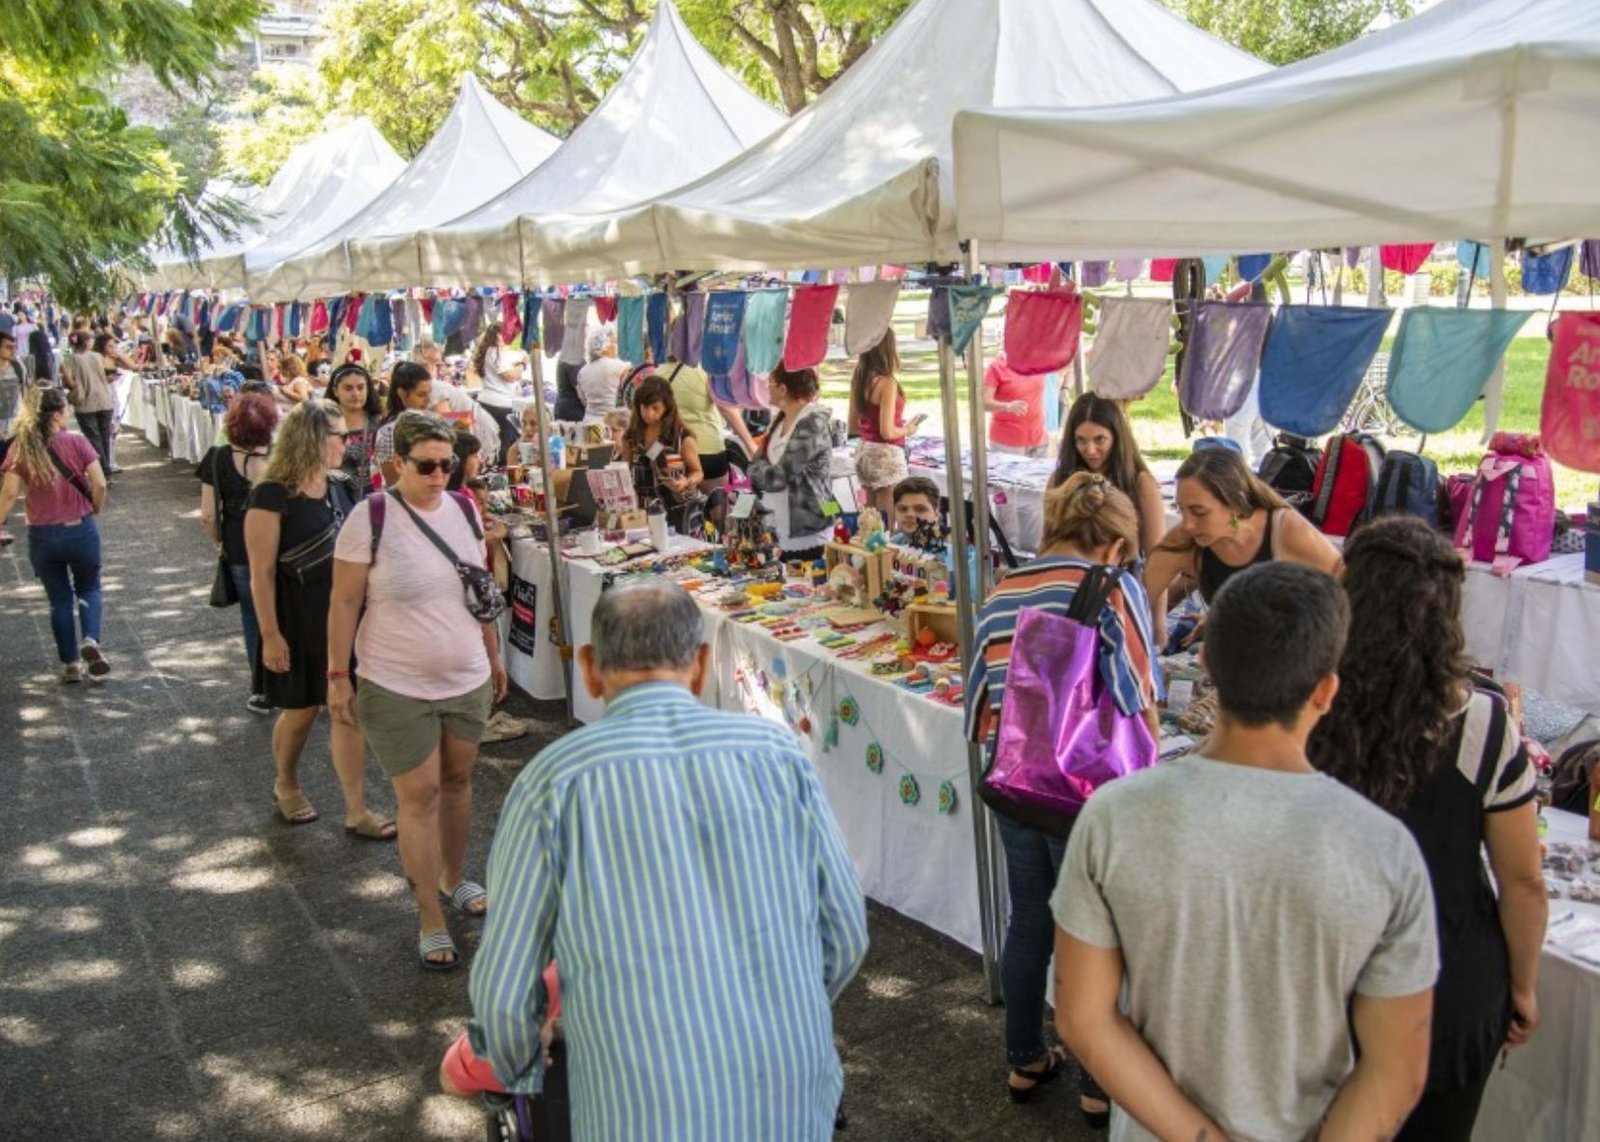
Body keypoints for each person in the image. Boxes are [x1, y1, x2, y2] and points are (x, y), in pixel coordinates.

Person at [462, 579, 868, 1137]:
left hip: (639, 1103)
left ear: (588, 669)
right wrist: (782, 1003)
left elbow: (505, 990)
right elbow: (845, 933)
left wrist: (517, 1067)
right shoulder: (777, 756)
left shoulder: (552, 781)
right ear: (701, 665)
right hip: (788, 1089)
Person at [1053, 562, 1438, 1141]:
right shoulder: (1384, 849)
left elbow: (1083, 1018)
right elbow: (1396, 1071)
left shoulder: (1114, 815)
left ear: (1205, 662)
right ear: (1328, 691)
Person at [1309, 518, 1547, 1142]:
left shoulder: (1306, 703)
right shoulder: (1483, 724)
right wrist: (1522, 986)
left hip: (1325, 979)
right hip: (1447, 986)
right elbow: (1523, 880)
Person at [963, 473, 1160, 1126]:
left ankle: (1024, 1057)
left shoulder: (1002, 590)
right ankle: (1099, 1082)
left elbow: (979, 708)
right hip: (1087, 797)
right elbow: (1137, 695)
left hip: (1016, 786)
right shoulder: (1110, 587)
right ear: (1112, 542)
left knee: (1030, 921)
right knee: (1099, 935)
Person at [328, 411, 508, 970]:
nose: (438, 476)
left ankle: (455, 876)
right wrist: (338, 675)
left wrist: (493, 652)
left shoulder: (462, 507)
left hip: (465, 675)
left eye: (447, 465)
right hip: (395, 680)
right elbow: (343, 603)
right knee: (420, 793)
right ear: (396, 464)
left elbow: (475, 588)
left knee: (457, 783)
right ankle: (428, 911)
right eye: (426, 465)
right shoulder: (370, 517)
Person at [244, 399, 392, 839]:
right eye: (339, 436)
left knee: (347, 711)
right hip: (296, 618)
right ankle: (285, 783)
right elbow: (261, 572)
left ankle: (355, 809)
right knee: (301, 711)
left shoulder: (343, 486)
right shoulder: (271, 494)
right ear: (312, 438)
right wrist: (270, 634)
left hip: (343, 618)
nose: (346, 444)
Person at [1143, 446, 1340, 648]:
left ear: (1235, 501)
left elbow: (1348, 585)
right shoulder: (1186, 540)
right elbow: (1137, 601)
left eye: (1199, 512)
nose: (1187, 524)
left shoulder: (1283, 529)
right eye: (1181, 509)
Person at [0, 387, 110, 683]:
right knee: (89, 588)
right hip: (80, 528)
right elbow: (99, 483)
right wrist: (94, 507)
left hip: (42, 535)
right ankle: (90, 639)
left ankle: (71, 664)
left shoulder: (20, 448)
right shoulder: (76, 442)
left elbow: (9, 492)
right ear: (58, 414)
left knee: (59, 599)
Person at [199, 393, 278, 714]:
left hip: (239, 550)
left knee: (252, 617)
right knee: (285, 614)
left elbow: (207, 514)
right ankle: (289, 681)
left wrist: (220, 542)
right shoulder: (278, 457)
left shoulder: (216, 458)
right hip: (280, 547)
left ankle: (261, 689)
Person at [1049, 393, 1165, 557]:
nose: (1090, 450)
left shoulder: (1141, 483)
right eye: (1081, 440)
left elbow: (1156, 554)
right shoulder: (1059, 479)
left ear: (1117, 438)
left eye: (1100, 439)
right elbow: (1047, 542)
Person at [747, 364, 834, 562]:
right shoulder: (779, 419)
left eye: (770, 384)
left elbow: (777, 478)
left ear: (783, 389)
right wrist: (758, 468)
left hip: (807, 529)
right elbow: (757, 462)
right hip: (778, 527)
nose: (767, 388)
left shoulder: (812, 423)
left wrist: (755, 469)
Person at [657, 345, 757, 494]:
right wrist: (749, 443)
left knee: (684, 509)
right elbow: (726, 408)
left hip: (674, 453)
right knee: (716, 509)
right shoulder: (706, 369)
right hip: (708, 451)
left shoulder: (659, 372)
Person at [851, 328, 922, 515]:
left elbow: (853, 425)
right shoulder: (887, 383)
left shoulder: (859, 379)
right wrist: (908, 429)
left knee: (867, 520)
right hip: (885, 457)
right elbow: (887, 432)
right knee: (886, 526)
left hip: (863, 452)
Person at [621, 374, 703, 533]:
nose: (649, 414)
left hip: (679, 512)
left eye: (655, 408)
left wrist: (685, 482)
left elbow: (698, 472)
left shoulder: (681, 438)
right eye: (644, 407)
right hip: (643, 514)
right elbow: (624, 471)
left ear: (667, 407)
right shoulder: (631, 438)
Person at [61, 332, 116, 476]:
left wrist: (64, 373)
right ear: (86, 342)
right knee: (104, 438)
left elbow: (71, 383)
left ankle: (104, 469)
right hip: (104, 401)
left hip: (85, 404)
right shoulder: (98, 356)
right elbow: (105, 376)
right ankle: (105, 469)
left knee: (93, 439)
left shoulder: (70, 359)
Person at [372, 362, 433, 485]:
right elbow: (392, 480)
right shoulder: (389, 432)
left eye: (429, 393)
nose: (428, 400)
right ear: (402, 393)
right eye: (421, 395)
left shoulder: (431, 423)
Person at [982, 350, 1050, 457]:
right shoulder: (996, 367)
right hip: (1008, 443)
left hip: (1039, 439)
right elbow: (983, 403)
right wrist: (1007, 406)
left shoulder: (1037, 362)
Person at [327, 361, 381, 495]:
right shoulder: (325, 423)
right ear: (335, 391)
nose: (356, 393)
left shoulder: (379, 422)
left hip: (376, 497)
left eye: (361, 387)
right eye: (348, 388)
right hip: (338, 497)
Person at [471, 325, 525, 446]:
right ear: (498, 335)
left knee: (490, 440)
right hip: (500, 405)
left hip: (486, 401)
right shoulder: (495, 352)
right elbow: (510, 376)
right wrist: (523, 364)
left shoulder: (487, 352)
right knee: (506, 442)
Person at [576, 327, 630, 421]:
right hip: (612, 422)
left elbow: (583, 400)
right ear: (605, 346)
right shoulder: (620, 366)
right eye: (614, 343)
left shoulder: (582, 372)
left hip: (589, 421)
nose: (616, 347)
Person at [890, 475, 942, 540]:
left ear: (936, 514)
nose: (910, 514)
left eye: (920, 509)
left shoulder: (950, 549)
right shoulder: (892, 544)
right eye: (903, 509)